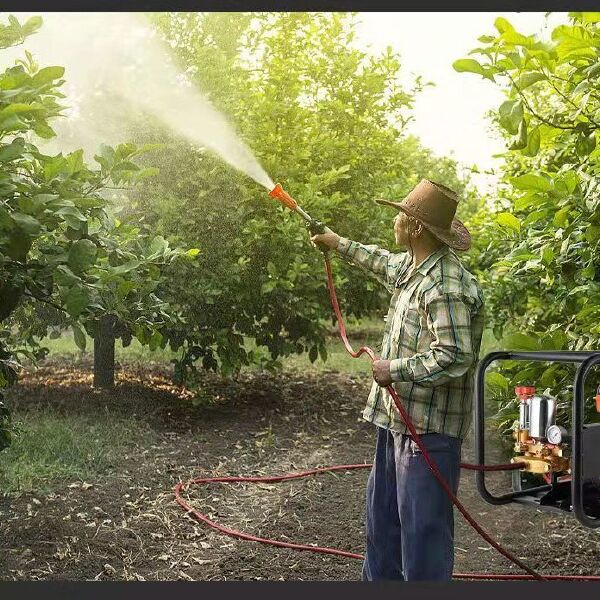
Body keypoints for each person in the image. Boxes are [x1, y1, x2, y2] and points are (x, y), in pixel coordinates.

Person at [311, 179, 485, 581]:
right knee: (382, 521)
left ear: (416, 227)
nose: (395, 220)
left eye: (400, 214)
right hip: (397, 421)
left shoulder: (445, 286)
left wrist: (395, 369)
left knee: (422, 533)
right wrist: (335, 241)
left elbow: (455, 355)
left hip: (428, 430)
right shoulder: (415, 266)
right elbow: (380, 261)